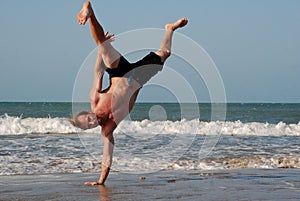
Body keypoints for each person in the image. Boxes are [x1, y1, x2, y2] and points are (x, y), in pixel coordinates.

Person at [72, 1, 188, 185]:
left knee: (101, 44)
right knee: (165, 53)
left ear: (88, 114)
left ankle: (89, 11)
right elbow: (107, 156)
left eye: (88, 119)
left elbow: (98, 73)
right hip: (138, 79)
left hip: (119, 72)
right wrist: (101, 181)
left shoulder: (95, 99)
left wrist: (102, 51)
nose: (92, 121)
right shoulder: (107, 130)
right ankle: (170, 29)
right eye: (89, 125)